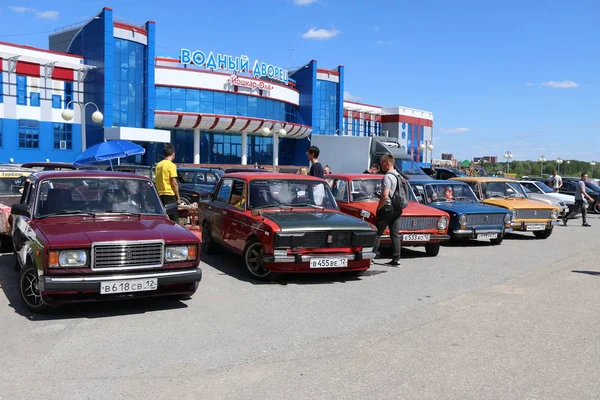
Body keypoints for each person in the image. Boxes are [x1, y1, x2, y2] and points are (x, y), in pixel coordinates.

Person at [372, 154, 403, 266]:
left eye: (381, 164)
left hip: (388, 208)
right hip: (397, 208)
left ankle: (372, 256)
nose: (381, 166)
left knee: (378, 232)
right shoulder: (399, 175)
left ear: (386, 163)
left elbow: (385, 195)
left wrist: (379, 208)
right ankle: (396, 259)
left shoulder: (387, 177)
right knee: (395, 234)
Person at [155, 144, 181, 222]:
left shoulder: (158, 165)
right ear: (173, 154)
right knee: (174, 221)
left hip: (159, 194)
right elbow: (174, 183)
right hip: (169, 194)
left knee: (161, 220)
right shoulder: (171, 165)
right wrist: (178, 198)